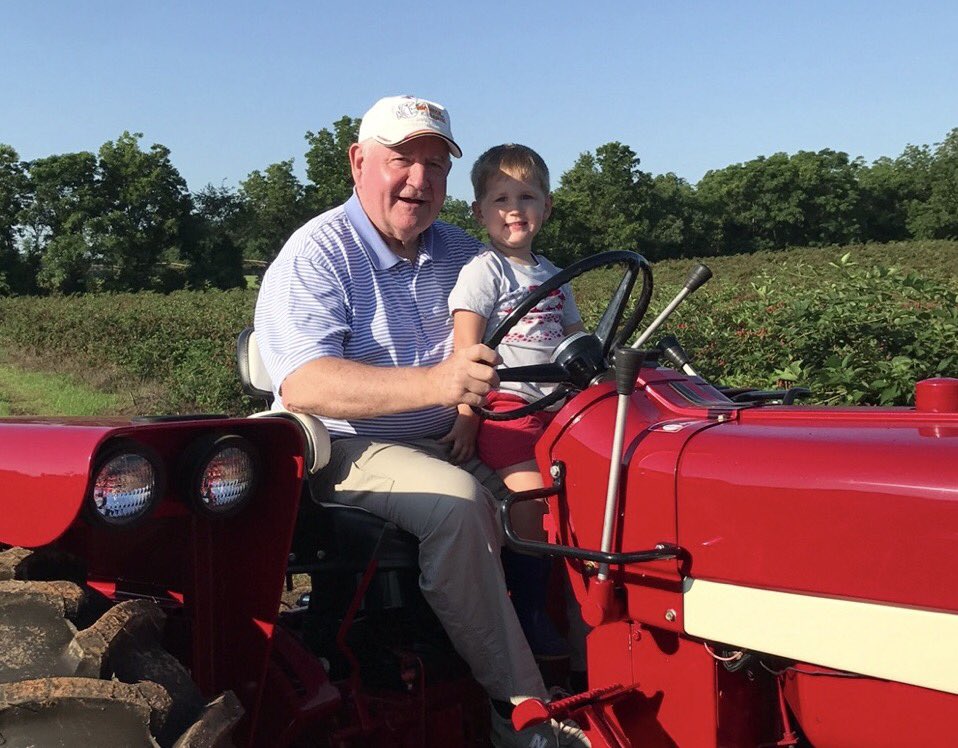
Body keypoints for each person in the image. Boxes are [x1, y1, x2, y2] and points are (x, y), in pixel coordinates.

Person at [253, 96, 589, 748]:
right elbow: (306, 382)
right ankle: (519, 712)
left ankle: (585, 663)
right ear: (358, 162)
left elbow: (525, 327)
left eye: (434, 165)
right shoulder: (318, 253)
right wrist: (438, 384)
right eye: (402, 160)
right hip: (349, 445)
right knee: (461, 506)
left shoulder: (462, 251)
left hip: (454, 437)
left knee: (570, 494)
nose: (419, 180)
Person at [445, 144, 583, 665]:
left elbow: (576, 343)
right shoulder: (485, 274)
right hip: (506, 412)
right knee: (531, 503)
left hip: (557, 411)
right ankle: (528, 608)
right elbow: (467, 356)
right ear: (480, 212)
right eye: (500, 198)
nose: (514, 209)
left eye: (527, 196)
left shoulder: (555, 276)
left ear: (546, 206)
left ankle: (578, 600)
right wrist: (465, 417)